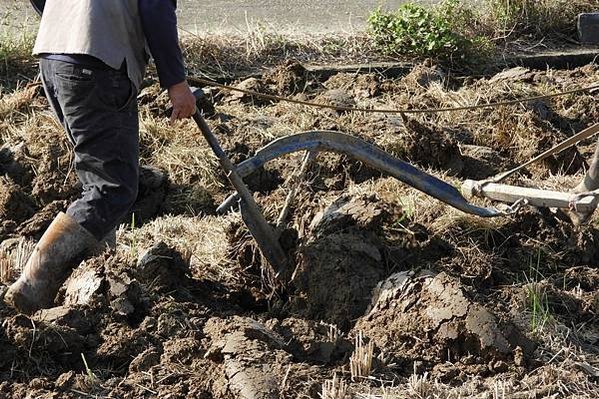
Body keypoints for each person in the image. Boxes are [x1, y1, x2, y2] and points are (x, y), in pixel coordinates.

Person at [4, 0, 197, 314]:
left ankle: (96, 285)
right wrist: (176, 82)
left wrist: (68, 20)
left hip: (55, 56)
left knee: (97, 182)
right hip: (95, 65)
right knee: (113, 188)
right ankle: (32, 285)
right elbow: (156, 8)